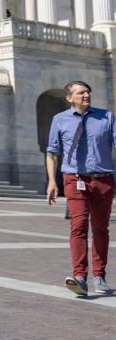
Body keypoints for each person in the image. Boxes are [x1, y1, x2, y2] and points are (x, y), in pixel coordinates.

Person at [46, 80, 116, 297]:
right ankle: (79, 276)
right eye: (81, 93)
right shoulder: (59, 120)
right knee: (78, 226)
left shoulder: (107, 117)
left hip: (103, 180)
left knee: (101, 229)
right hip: (75, 179)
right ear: (69, 98)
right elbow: (52, 152)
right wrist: (52, 181)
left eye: (88, 92)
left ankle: (100, 276)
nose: (86, 95)